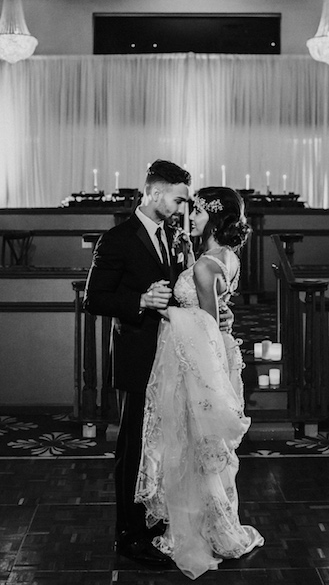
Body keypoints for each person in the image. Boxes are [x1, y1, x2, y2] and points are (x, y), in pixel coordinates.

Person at [135, 186, 264, 579]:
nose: (191, 219)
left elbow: (206, 325)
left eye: (199, 214)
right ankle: (206, 520)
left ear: (215, 217)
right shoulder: (226, 257)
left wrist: (167, 312)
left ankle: (201, 528)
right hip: (210, 356)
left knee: (196, 444)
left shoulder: (207, 265)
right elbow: (218, 314)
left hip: (201, 362)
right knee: (201, 447)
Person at [84, 159, 191, 567]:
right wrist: (140, 302)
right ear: (155, 191)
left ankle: (149, 523)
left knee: (158, 447)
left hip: (168, 355)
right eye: (178, 199)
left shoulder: (171, 235)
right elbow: (94, 299)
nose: (181, 207)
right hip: (134, 356)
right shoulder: (117, 239)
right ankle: (127, 535)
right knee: (132, 448)